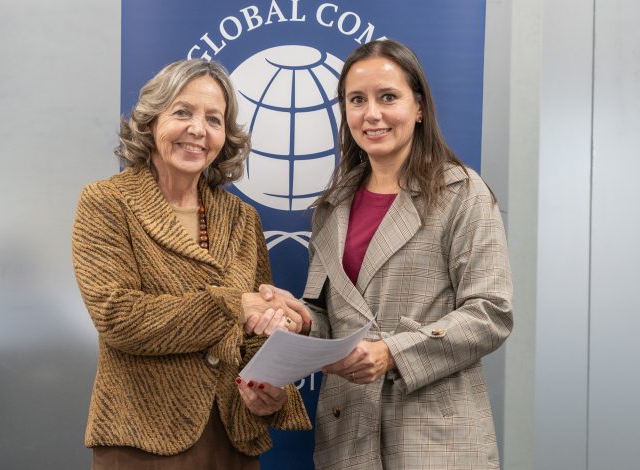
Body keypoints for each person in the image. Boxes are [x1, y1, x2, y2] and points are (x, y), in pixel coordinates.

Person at [266, 39, 513, 469]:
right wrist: (298, 320)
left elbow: (491, 312)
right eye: (357, 100)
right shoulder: (331, 208)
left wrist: (392, 353)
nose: (371, 114)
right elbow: (327, 315)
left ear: (419, 108)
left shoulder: (461, 192)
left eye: (388, 97)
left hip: (435, 437)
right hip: (348, 437)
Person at [71, 59, 311, 469]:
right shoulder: (107, 202)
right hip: (142, 439)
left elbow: (254, 334)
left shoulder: (242, 218)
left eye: (213, 120)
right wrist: (236, 305)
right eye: (182, 112)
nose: (198, 129)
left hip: (233, 439)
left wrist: (270, 388)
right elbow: (118, 317)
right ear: (150, 122)